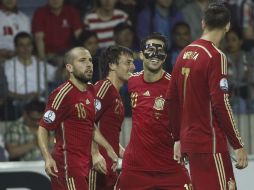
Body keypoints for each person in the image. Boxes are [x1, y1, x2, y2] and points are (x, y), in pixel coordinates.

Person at [167, 3, 248, 190]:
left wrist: (177, 138)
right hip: (210, 143)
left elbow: (171, 99)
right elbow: (221, 102)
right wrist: (238, 144)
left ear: (203, 23)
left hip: (190, 143)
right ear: (227, 26)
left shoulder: (183, 53)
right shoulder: (215, 56)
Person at [117, 33, 191, 190]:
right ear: (142, 55)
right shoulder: (132, 82)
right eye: (151, 50)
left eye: (160, 51)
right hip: (135, 168)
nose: (155, 55)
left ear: (164, 57)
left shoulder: (175, 86)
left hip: (169, 167)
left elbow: (189, 120)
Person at [37, 47, 118, 190]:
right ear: (69, 67)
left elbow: (90, 125)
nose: (89, 64)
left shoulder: (91, 90)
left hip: (84, 163)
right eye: (82, 61)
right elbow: (43, 127)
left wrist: (107, 147)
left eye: (90, 60)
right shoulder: (62, 94)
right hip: (67, 165)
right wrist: (47, 157)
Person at [89, 45, 135, 190]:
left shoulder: (116, 95)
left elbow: (108, 134)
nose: (133, 67)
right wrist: (95, 154)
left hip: (108, 167)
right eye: (128, 62)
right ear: (112, 65)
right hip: (95, 167)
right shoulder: (104, 87)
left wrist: (124, 153)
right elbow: (85, 121)